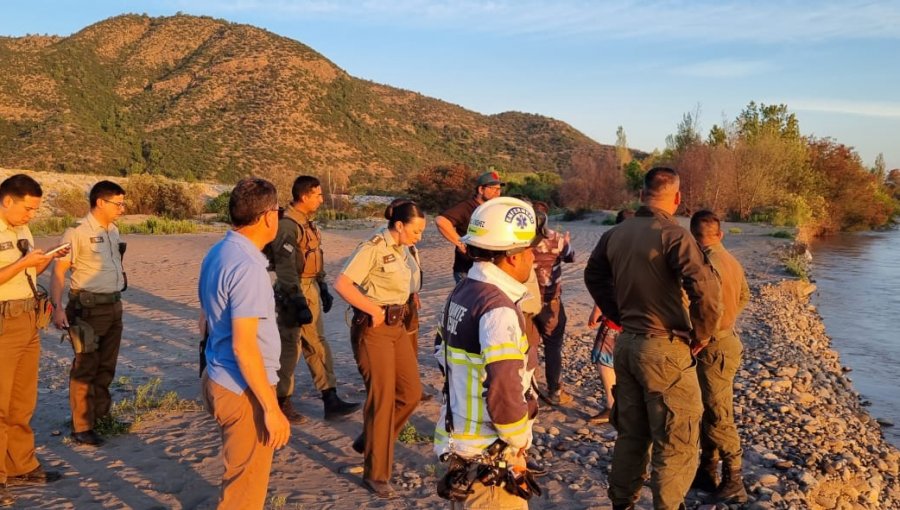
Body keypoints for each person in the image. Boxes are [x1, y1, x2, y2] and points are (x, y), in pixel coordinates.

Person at [584, 167, 722, 510]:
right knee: (676, 441)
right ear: (676, 198)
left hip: (626, 344)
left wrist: (618, 314)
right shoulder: (674, 235)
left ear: (642, 193)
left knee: (631, 434)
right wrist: (699, 335)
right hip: (664, 348)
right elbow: (704, 288)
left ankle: (622, 503)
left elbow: (593, 275)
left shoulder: (615, 233)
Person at [434, 197, 542, 509]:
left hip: (462, 446)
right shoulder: (498, 309)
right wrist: (519, 441)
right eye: (529, 250)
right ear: (511, 257)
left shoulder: (464, 291)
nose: (533, 257)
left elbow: (441, 354)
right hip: (490, 462)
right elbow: (504, 391)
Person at [198, 178, 291, 509]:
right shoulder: (248, 266)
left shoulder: (219, 251)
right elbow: (244, 347)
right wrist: (271, 408)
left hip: (219, 375)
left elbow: (205, 318)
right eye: (278, 211)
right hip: (243, 389)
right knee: (244, 492)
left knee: (240, 479)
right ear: (268, 216)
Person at [333, 199, 425, 498]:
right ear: (399, 225)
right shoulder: (373, 246)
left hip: (398, 326)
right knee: (382, 400)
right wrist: (373, 310)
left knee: (410, 394)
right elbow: (343, 284)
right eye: (416, 230)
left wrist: (410, 299)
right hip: (374, 330)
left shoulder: (404, 248)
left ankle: (372, 439)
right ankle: (376, 473)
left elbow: (406, 281)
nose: (419, 236)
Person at [270, 175, 359, 423]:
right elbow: (286, 267)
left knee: (316, 344)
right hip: (294, 290)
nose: (322, 199)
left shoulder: (307, 223)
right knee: (290, 346)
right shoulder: (289, 225)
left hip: (309, 288)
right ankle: (280, 401)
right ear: (305, 196)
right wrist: (297, 300)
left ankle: (330, 398)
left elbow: (314, 256)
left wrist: (322, 286)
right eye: (318, 194)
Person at [0, 174, 66, 507]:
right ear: (7, 201)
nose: (31, 216)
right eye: (27, 209)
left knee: (22, 400)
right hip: (3, 320)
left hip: (28, 317)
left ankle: (20, 465)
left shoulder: (22, 230)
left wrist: (40, 264)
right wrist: (24, 262)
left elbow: (22, 274)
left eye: (35, 210)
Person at [50, 180, 127, 447]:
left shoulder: (113, 231)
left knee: (107, 366)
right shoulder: (77, 232)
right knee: (85, 366)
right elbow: (59, 271)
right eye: (118, 203)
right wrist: (57, 307)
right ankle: (82, 427)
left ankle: (101, 417)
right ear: (100, 202)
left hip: (114, 306)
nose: (122, 208)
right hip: (87, 309)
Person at [689, 210, 750, 504]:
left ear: (693, 237)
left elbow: (708, 307)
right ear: (720, 234)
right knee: (709, 409)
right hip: (725, 343)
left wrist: (704, 336)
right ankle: (707, 469)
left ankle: (734, 478)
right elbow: (744, 297)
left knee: (718, 414)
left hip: (715, 347)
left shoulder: (706, 263)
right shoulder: (731, 261)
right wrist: (726, 322)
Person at [586, 209, 633, 425]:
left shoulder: (615, 249)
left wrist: (598, 309)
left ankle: (612, 406)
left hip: (617, 317)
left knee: (602, 357)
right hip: (643, 318)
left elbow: (605, 282)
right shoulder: (650, 248)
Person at [530, 201, 575, 406]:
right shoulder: (555, 239)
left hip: (525, 302)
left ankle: (527, 390)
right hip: (550, 302)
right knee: (553, 345)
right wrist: (566, 242)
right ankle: (554, 390)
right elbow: (570, 257)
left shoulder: (519, 241)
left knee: (528, 345)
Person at [434, 171, 504, 283]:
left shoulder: (494, 209)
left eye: (499, 189)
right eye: (493, 188)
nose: (497, 193)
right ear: (481, 190)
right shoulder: (467, 207)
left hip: (489, 270)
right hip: (467, 270)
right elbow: (441, 221)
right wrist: (460, 243)